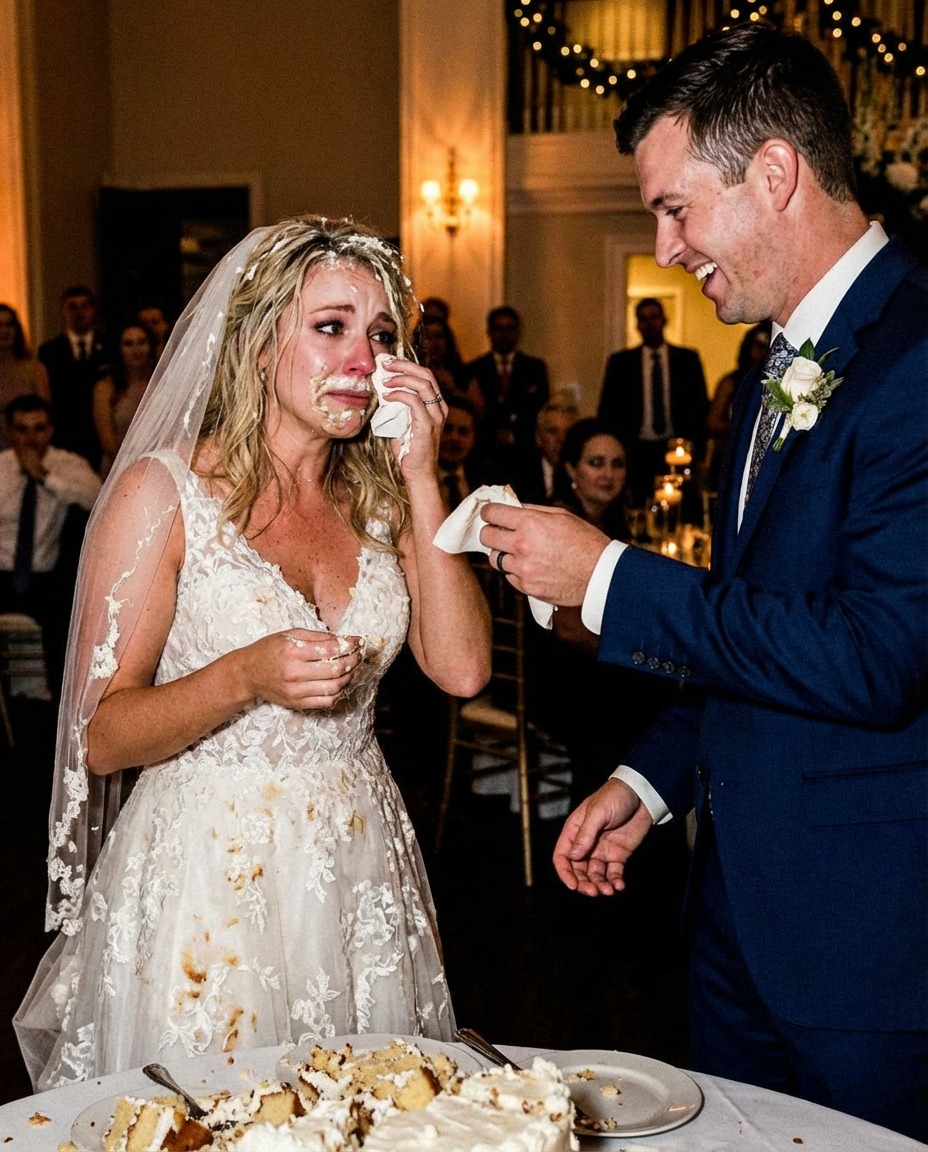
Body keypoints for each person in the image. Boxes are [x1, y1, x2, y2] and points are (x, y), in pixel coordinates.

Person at [479, 23, 927, 1141]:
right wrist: (650, 780)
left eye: (676, 209)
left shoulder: (917, 357)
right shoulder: (775, 359)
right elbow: (758, 622)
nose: (666, 248)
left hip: (866, 939)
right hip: (731, 916)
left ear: (774, 173)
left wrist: (611, 576)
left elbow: (877, 656)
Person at [14, 215, 491, 1090]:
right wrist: (243, 675)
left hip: (358, 859)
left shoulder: (383, 500)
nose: (364, 358)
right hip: (209, 870)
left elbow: (462, 669)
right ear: (258, 344)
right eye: (331, 326)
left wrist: (424, 476)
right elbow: (100, 737)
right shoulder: (165, 494)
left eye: (383, 335)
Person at [0, 396, 101, 696]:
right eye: (22, 429)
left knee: (67, 624)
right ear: (9, 432)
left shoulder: (68, 464)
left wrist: (44, 477)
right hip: (1, 572)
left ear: (51, 430)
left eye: (39, 429)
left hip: (45, 578)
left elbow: (97, 499)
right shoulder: (1, 468)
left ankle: (60, 706)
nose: (30, 439)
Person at [598, 297, 708, 510]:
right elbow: (608, 411)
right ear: (637, 324)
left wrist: (698, 453)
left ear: (664, 320)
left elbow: (700, 408)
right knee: (640, 505)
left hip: (677, 450)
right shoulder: (621, 363)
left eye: (654, 317)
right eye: (644, 319)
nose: (650, 323)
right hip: (637, 450)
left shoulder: (687, 360)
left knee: (680, 506)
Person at [462, 305, 549, 476]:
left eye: (509, 329)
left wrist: (515, 434)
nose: (504, 335)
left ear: (518, 332)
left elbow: (540, 408)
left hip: (523, 452)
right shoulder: (475, 368)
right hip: (485, 452)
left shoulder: (534, 368)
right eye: (499, 329)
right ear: (489, 332)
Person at [38, 285, 111, 471]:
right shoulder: (49, 351)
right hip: (64, 437)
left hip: (100, 436)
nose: (79, 313)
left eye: (85, 306)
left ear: (93, 310)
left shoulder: (109, 346)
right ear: (63, 311)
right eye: (72, 307)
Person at [704, 322, 771, 491]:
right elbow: (712, 422)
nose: (763, 352)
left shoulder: (781, 383)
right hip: (733, 455)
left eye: (768, 346)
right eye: (759, 346)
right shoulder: (732, 382)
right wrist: (744, 426)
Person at [93, 322, 156, 477]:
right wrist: (130, 468)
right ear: (119, 349)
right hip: (118, 467)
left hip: (157, 465)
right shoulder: (105, 387)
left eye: (142, 342)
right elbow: (107, 440)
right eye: (128, 344)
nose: (136, 349)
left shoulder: (162, 383)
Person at [510, 390, 579, 505]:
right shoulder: (518, 476)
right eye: (553, 431)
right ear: (538, 437)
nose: (561, 439)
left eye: (567, 432)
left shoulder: (581, 475)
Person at [0, 305, 52, 447]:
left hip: (28, 442)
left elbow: (44, 411)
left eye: (9, 325)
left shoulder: (35, 369)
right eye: (0, 325)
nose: (5, 331)